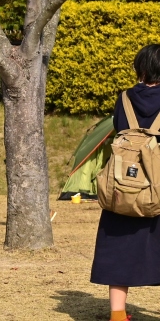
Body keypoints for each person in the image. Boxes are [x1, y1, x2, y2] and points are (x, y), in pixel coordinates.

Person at [91, 44, 160, 321]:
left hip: (123, 184)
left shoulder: (124, 98)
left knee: (118, 249)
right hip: (157, 186)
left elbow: (119, 128)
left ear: (141, 67)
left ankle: (118, 315)